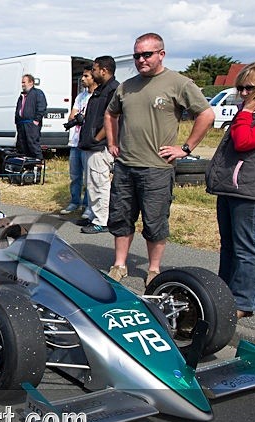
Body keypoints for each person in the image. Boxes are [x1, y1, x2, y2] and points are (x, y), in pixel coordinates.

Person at [104, 32, 214, 285]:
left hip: (157, 168)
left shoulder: (179, 83)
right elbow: (110, 115)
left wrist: (185, 148)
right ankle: (119, 264)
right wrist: (111, 142)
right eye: (137, 55)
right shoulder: (126, 86)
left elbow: (206, 114)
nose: (141, 59)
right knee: (121, 218)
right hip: (125, 166)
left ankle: (153, 269)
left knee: (154, 222)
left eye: (147, 54)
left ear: (161, 54)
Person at [206, 61, 255, 319]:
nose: (244, 93)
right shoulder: (248, 111)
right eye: (241, 88)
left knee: (245, 246)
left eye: (250, 88)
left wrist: (246, 113)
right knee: (228, 244)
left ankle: (244, 302)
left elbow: (245, 141)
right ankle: (223, 293)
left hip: (249, 189)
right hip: (229, 186)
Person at [75, 56, 120, 235]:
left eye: (94, 69)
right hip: (90, 144)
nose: (92, 73)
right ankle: (93, 215)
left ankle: (102, 220)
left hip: (99, 146)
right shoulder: (100, 89)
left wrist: (97, 138)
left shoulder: (113, 90)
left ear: (104, 70)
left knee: (100, 184)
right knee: (91, 183)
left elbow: (112, 117)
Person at [61, 68, 96, 216]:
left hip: (87, 143)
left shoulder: (97, 97)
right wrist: (77, 119)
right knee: (75, 176)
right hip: (75, 142)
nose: (82, 79)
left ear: (94, 78)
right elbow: (71, 117)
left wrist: (82, 119)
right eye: (82, 75)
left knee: (89, 177)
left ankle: (87, 205)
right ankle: (75, 201)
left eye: (86, 76)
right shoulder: (80, 96)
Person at [14, 74, 47, 160]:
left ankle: (38, 165)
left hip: (31, 124)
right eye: (22, 82)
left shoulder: (37, 93)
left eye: (24, 82)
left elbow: (42, 107)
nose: (22, 84)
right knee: (22, 147)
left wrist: (36, 121)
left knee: (33, 145)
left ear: (31, 82)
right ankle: (27, 167)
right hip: (21, 124)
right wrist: (17, 121)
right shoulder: (22, 96)